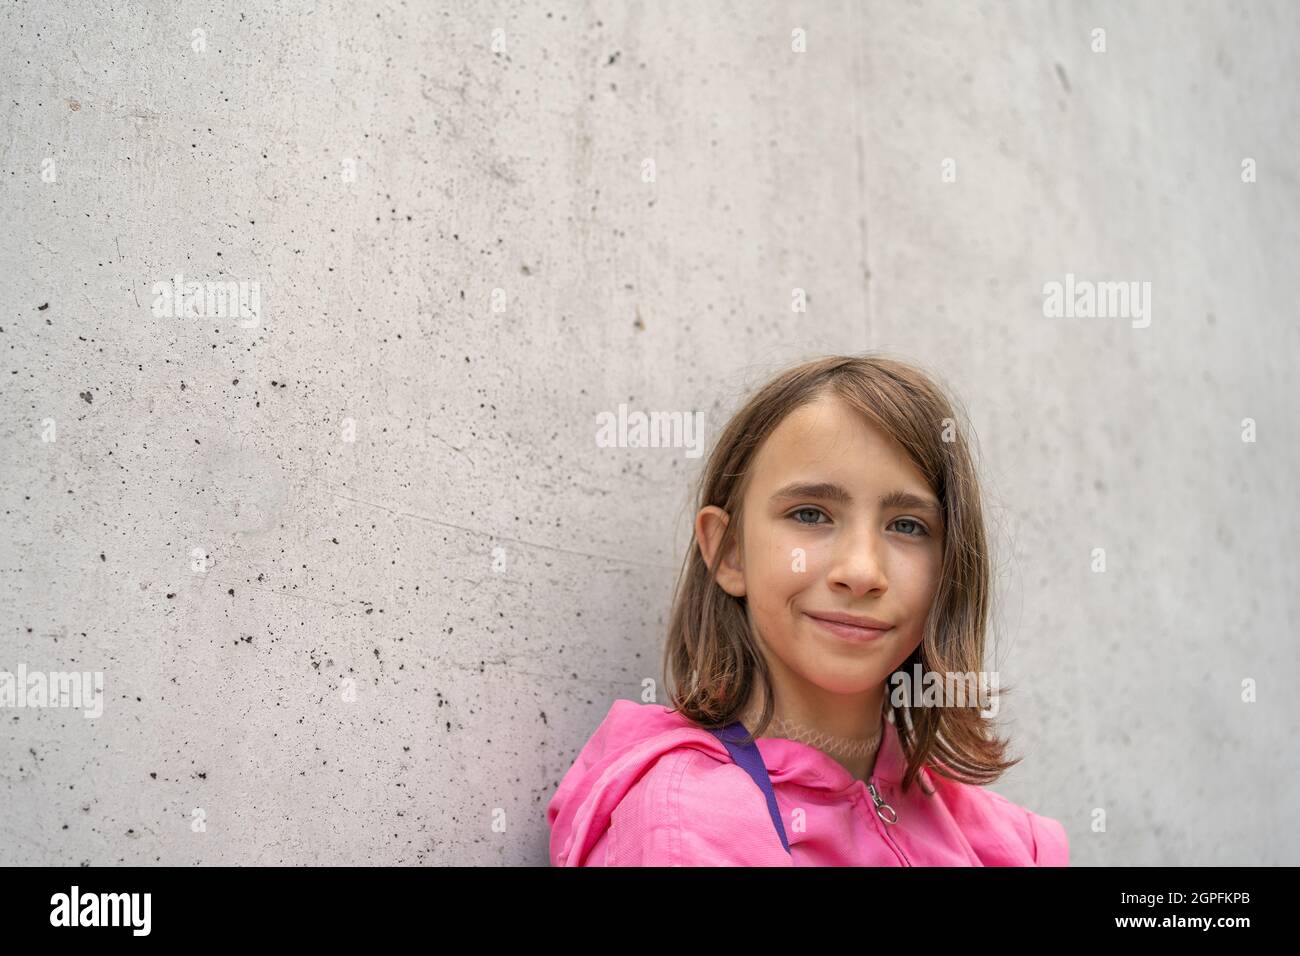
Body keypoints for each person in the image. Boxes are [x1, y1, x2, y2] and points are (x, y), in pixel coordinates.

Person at [547, 353, 1069, 866]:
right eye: (811, 514)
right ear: (729, 551)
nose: (862, 571)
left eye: (907, 525)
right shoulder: (684, 823)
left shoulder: (1001, 839)